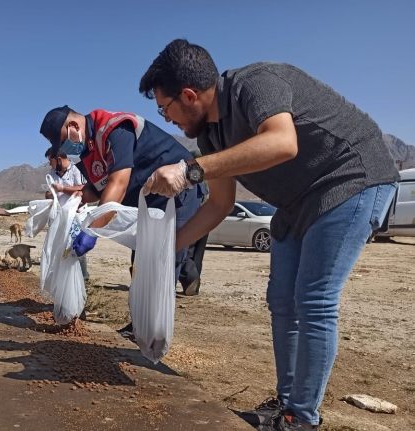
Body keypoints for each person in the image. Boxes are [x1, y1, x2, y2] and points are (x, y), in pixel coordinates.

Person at [139, 39, 399, 430]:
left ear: (188, 95)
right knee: (281, 299)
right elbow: (219, 204)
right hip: (298, 201)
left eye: (165, 108)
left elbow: (282, 141)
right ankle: (287, 402)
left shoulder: (255, 83)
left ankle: (301, 419)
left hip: (352, 179)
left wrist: (191, 170)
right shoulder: (211, 137)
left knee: (313, 298)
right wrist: (165, 247)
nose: (167, 118)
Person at [39, 104, 204, 335]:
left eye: (64, 140)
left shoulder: (115, 128)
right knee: (141, 265)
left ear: (74, 126)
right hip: (147, 203)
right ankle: (141, 326)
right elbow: (96, 191)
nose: (66, 148)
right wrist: (70, 199)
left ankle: (151, 332)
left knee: (162, 261)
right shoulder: (87, 152)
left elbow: (118, 183)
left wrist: (90, 231)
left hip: (178, 194)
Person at [44, 147, 90, 280]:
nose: (49, 164)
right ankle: (64, 277)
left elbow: (83, 188)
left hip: (76, 215)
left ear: (58, 159)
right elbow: (50, 192)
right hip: (61, 216)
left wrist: (63, 189)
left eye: (50, 161)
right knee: (61, 246)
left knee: (77, 246)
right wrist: (50, 194)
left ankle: (83, 277)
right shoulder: (52, 174)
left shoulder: (77, 170)